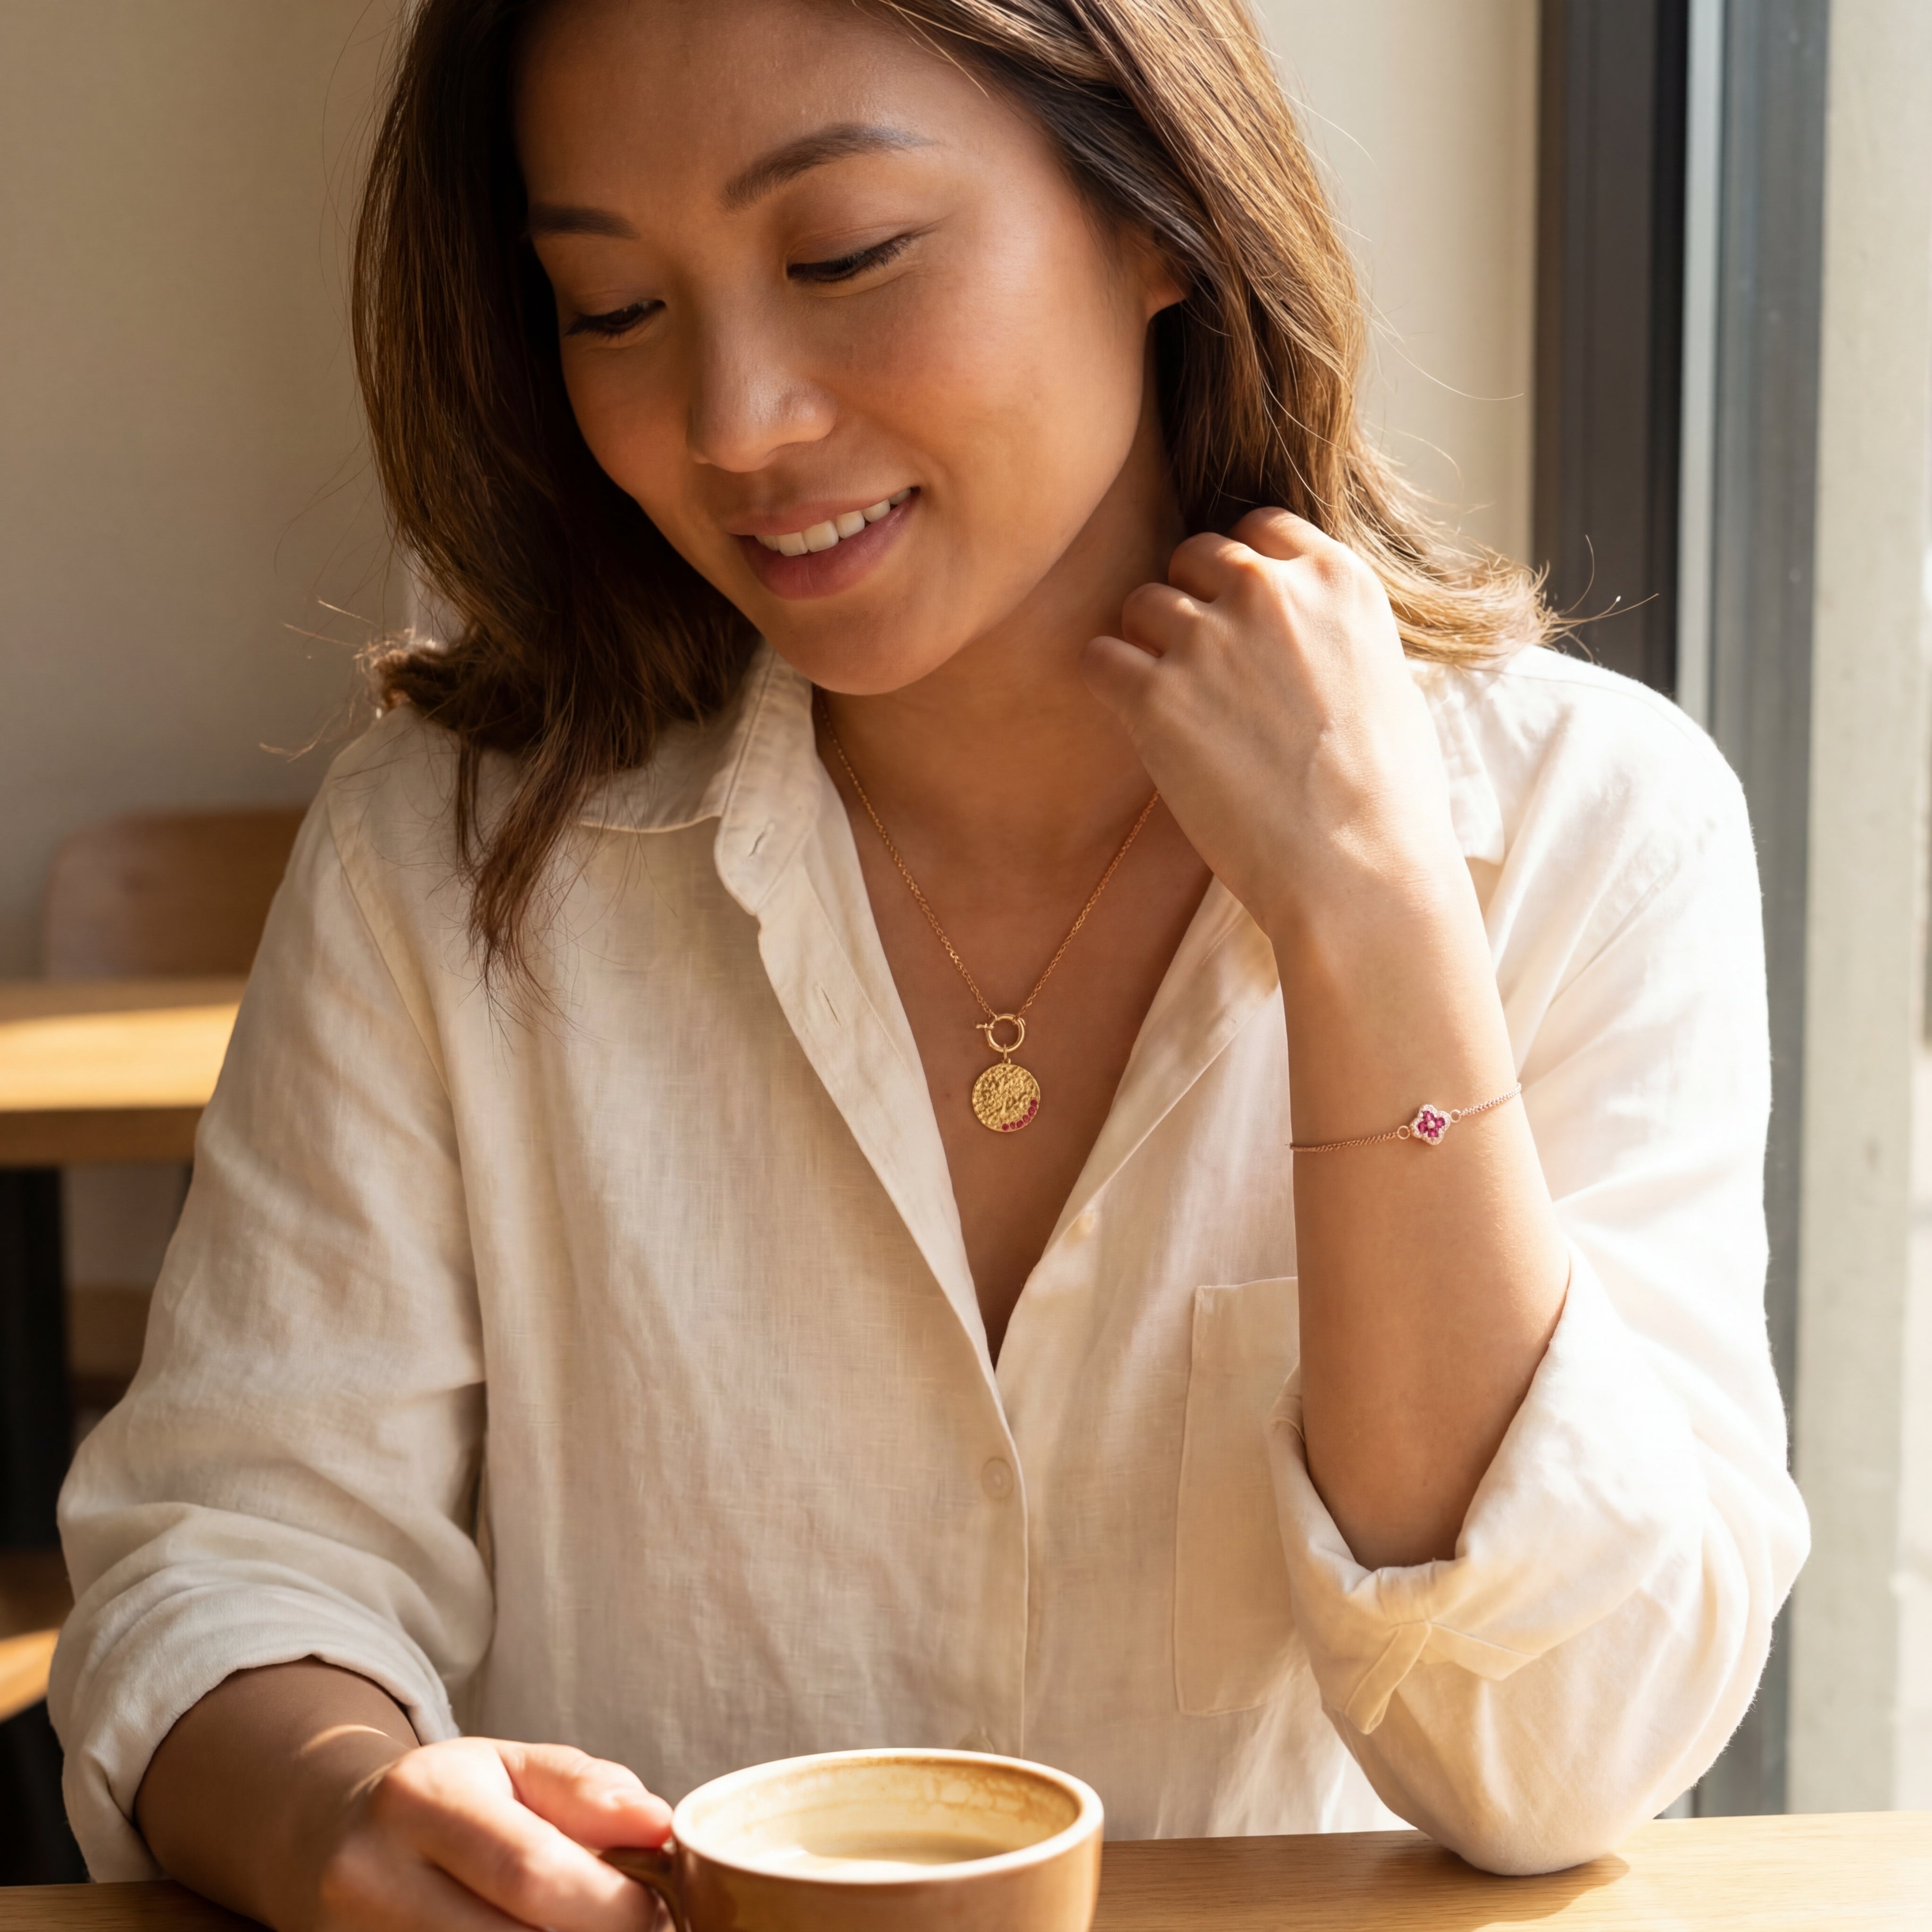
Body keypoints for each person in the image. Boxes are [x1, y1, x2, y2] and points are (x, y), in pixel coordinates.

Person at [51, 0, 1807, 1923]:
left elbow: (1561, 1750)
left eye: (842, 256)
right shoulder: (446, 852)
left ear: (1162, 217)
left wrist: (1371, 918)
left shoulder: (1584, 829)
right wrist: (337, 1806)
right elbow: (231, 1552)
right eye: (614, 310)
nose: (734, 423)